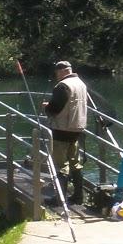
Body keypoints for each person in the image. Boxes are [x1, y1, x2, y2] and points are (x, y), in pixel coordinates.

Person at [42, 60, 88, 204]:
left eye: (57, 73)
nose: (56, 76)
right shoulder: (81, 84)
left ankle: (59, 199)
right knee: (75, 164)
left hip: (61, 130)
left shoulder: (63, 86)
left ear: (62, 71)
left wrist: (45, 107)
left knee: (61, 165)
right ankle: (78, 196)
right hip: (77, 129)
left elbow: (55, 109)